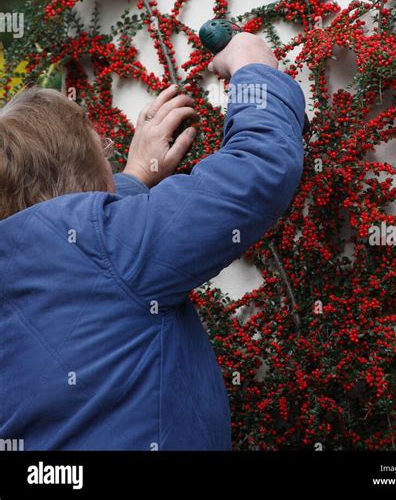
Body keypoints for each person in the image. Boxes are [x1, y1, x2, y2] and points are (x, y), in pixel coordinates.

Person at [0, 33, 305, 450]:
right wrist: (254, 71)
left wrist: (137, 174)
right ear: (82, 174)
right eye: (103, 151)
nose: (110, 158)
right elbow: (257, 171)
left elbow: (84, 247)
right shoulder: (109, 247)